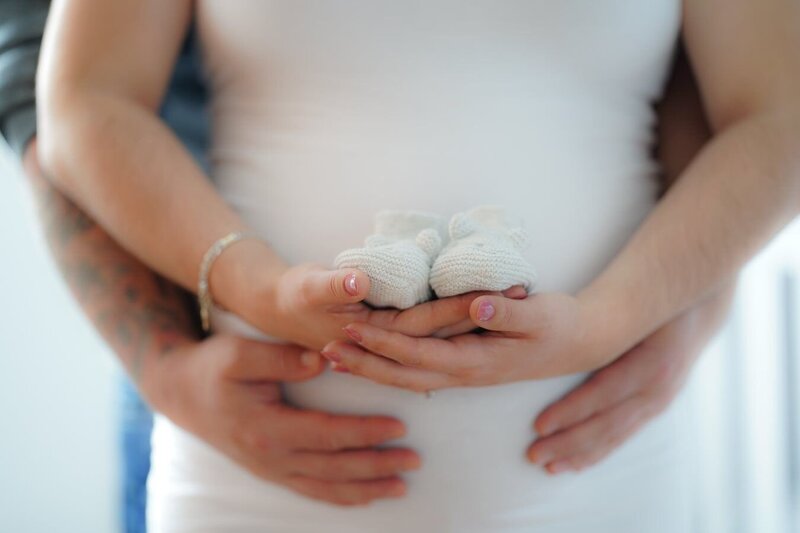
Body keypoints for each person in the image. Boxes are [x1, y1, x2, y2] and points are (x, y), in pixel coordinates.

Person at [34, 0, 800, 530]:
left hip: (596, 484)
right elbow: (84, 99)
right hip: (256, 486)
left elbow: (776, 114)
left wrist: (616, 318)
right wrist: (255, 286)